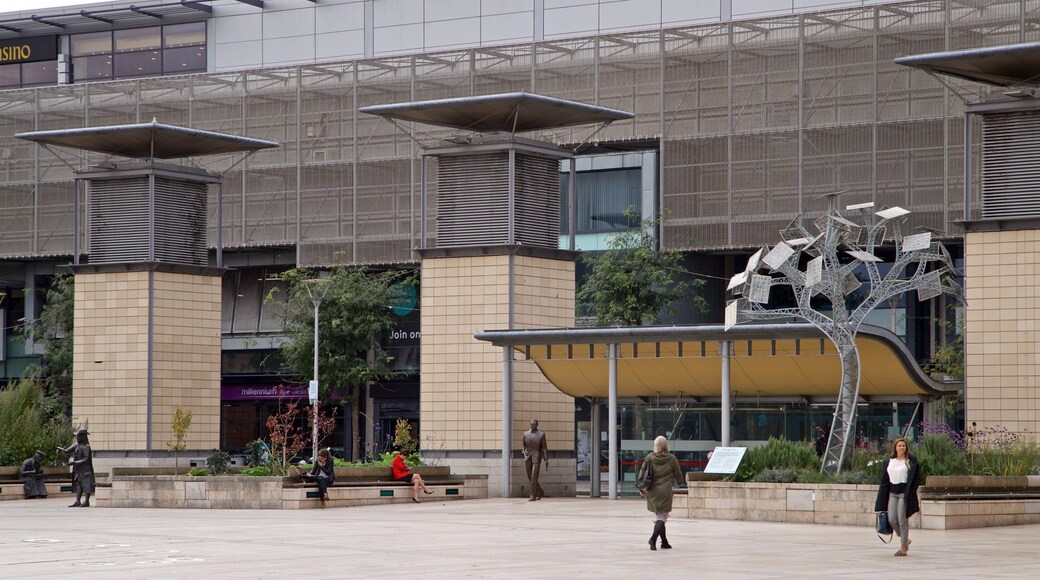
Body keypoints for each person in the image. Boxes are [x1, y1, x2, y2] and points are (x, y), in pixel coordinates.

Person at [637, 436, 685, 551]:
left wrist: (642, 488)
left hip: (652, 491)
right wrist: (680, 483)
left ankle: (664, 542)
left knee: (660, 516)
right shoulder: (672, 458)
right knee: (662, 517)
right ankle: (653, 539)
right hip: (665, 491)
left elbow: (641, 474)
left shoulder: (649, 458)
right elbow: (678, 475)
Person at [874, 437, 920, 557]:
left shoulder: (910, 461)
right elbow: (884, 481)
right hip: (892, 493)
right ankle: (905, 538)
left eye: (903, 446)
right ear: (895, 447)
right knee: (892, 519)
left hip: (904, 494)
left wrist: (912, 491)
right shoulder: (889, 461)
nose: (902, 448)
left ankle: (903, 547)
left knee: (902, 519)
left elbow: (916, 479)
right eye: (899, 446)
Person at [58, 428, 95, 508]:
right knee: (78, 485)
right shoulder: (76, 445)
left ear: (82, 437)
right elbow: (66, 451)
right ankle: (77, 501)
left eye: (77, 436)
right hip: (78, 470)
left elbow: (86, 459)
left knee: (86, 485)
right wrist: (60, 451)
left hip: (86, 470)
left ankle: (86, 501)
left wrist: (74, 462)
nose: (76, 438)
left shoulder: (86, 447)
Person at [522, 419, 548, 501]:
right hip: (528, 457)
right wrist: (524, 450)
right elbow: (524, 446)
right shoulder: (525, 434)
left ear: (537, 425)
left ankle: (533, 495)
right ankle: (540, 491)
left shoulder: (541, 434)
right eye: (531, 424)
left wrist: (546, 459)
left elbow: (544, 448)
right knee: (530, 477)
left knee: (533, 477)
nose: (533, 425)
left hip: (537, 457)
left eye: (534, 424)